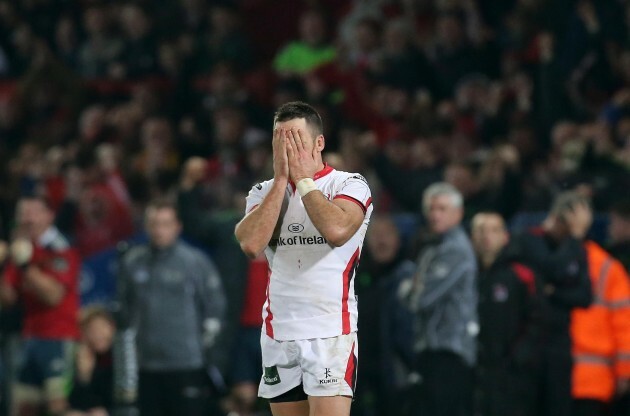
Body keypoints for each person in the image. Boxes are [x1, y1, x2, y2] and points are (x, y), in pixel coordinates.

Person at [234, 101, 373, 416]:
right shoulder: (264, 192)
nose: (287, 147)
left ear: (319, 143)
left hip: (329, 332)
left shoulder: (349, 184)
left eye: (295, 138)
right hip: (278, 332)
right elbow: (251, 245)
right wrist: (283, 181)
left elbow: (337, 229)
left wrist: (304, 181)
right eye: (280, 139)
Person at [118, 199, 226, 416]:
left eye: (165, 224)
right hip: (147, 364)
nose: (159, 230)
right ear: (146, 226)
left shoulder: (195, 262)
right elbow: (125, 312)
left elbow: (215, 306)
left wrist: (205, 345)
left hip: (186, 362)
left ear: (178, 226)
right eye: (154, 224)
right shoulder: (133, 261)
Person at [507, 191, 593, 416]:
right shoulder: (528, 240)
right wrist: (575, 239)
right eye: (576, 226)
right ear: (560, 218)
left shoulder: (576, 248)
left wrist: (553, 291)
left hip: (560, 343)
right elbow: (551, 268)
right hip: (528, 342)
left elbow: (585, 297)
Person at [399, 182, 477, 416]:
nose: (435, 215)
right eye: (431, 209)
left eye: (442, 209)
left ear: (458, 213)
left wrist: (408, 289)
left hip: (449, 351)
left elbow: (420, 298)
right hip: (433, 350)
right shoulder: (435, 247)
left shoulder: (455, 249)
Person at [0, 196, 81, 416]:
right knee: (23, 408)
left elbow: (53, 296)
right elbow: (6, 300)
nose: (26, 218)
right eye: (22, 212)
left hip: (58, 338)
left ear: (49, 216)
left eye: (32, 212)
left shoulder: (61, 248)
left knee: (59, 407)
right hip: (28, 338)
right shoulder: (23, 248)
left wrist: (25, 266)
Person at [471, 212, 541, 416]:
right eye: (481, 230)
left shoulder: (520, 273)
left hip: (512, 374)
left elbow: (538, 319)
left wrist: (518, 358)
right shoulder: (465, 273)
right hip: (475, 372)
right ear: (472, 236)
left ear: (505, 236)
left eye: (494, 230)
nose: (486, 236)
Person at [571, 240, 630, 416]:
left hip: (556, 379)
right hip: (596, 380)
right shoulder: (608, 267)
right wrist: (624, 372)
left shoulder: (542, 262)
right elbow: (624, 327)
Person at [66, 306, 116, 416]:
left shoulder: (121, 356)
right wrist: (84, 376)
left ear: (112, 328)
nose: (98, 334)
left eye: (102, 327)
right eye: (92, 330)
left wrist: (109, 412)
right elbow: (76, 403)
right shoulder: (87, 358)